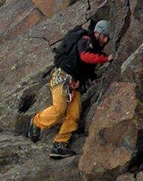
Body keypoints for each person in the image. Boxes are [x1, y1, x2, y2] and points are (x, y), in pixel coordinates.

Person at [27, 20, 113, 158]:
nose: (106, 40)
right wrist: (105, 58)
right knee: (59, 109)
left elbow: (86, 67)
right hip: (63, 77)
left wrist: (91, 78)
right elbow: (84, 56)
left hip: (75, 83)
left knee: (74, 114)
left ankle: (60, 144)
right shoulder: (85, 40)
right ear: (98, 33)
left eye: (107, 37)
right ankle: (36, 122)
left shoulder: (94, 48)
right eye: (105, 36)